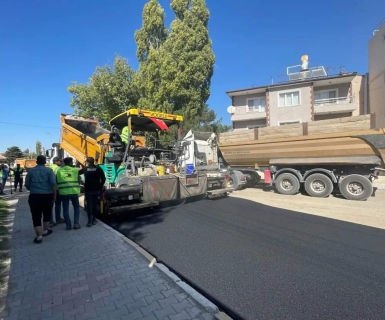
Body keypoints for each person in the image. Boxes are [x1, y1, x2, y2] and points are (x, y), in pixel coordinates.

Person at [25, 156, 56, 244]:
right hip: (47, 196)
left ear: (36, 162)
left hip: (34, 196)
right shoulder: (49, 171)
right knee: (47, 214)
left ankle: (39, 237)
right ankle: (45, 231)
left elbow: (27, 184)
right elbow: (53, 184)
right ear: (45, 162)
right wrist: (55, 195)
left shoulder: (31, 171)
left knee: (36, 216)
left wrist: (33, 189)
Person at [78, 157, 106, 227]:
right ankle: (94, 219)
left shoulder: (85, 169)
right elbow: (103, 178)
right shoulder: (98, 169)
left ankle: (89, 221)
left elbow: (77, 173)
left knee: (89, 205)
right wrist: (100, 186)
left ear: (87, 162)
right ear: (93, 162)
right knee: (95, 205)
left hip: (88, 190)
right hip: (96, 189)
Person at [56, 157, 81, 230]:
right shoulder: (75, 170)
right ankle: (76, 223)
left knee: (65, 209)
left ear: (64, 162)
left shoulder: (59, 170)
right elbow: (78, 180)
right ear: (70, 162)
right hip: (74, 191)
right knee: (76, 207)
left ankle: (68, 225)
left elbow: (57, 180)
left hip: (63, 192)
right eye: (72, 162)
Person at [48, 157, 65, 226]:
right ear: (56, 161)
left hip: (49, 189)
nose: (61, 162)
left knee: (50, 206)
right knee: (58, 204)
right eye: (60, 161)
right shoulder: (58, 169)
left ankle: (50, 221)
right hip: (57, 189)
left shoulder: (48, 168)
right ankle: (58, 219)